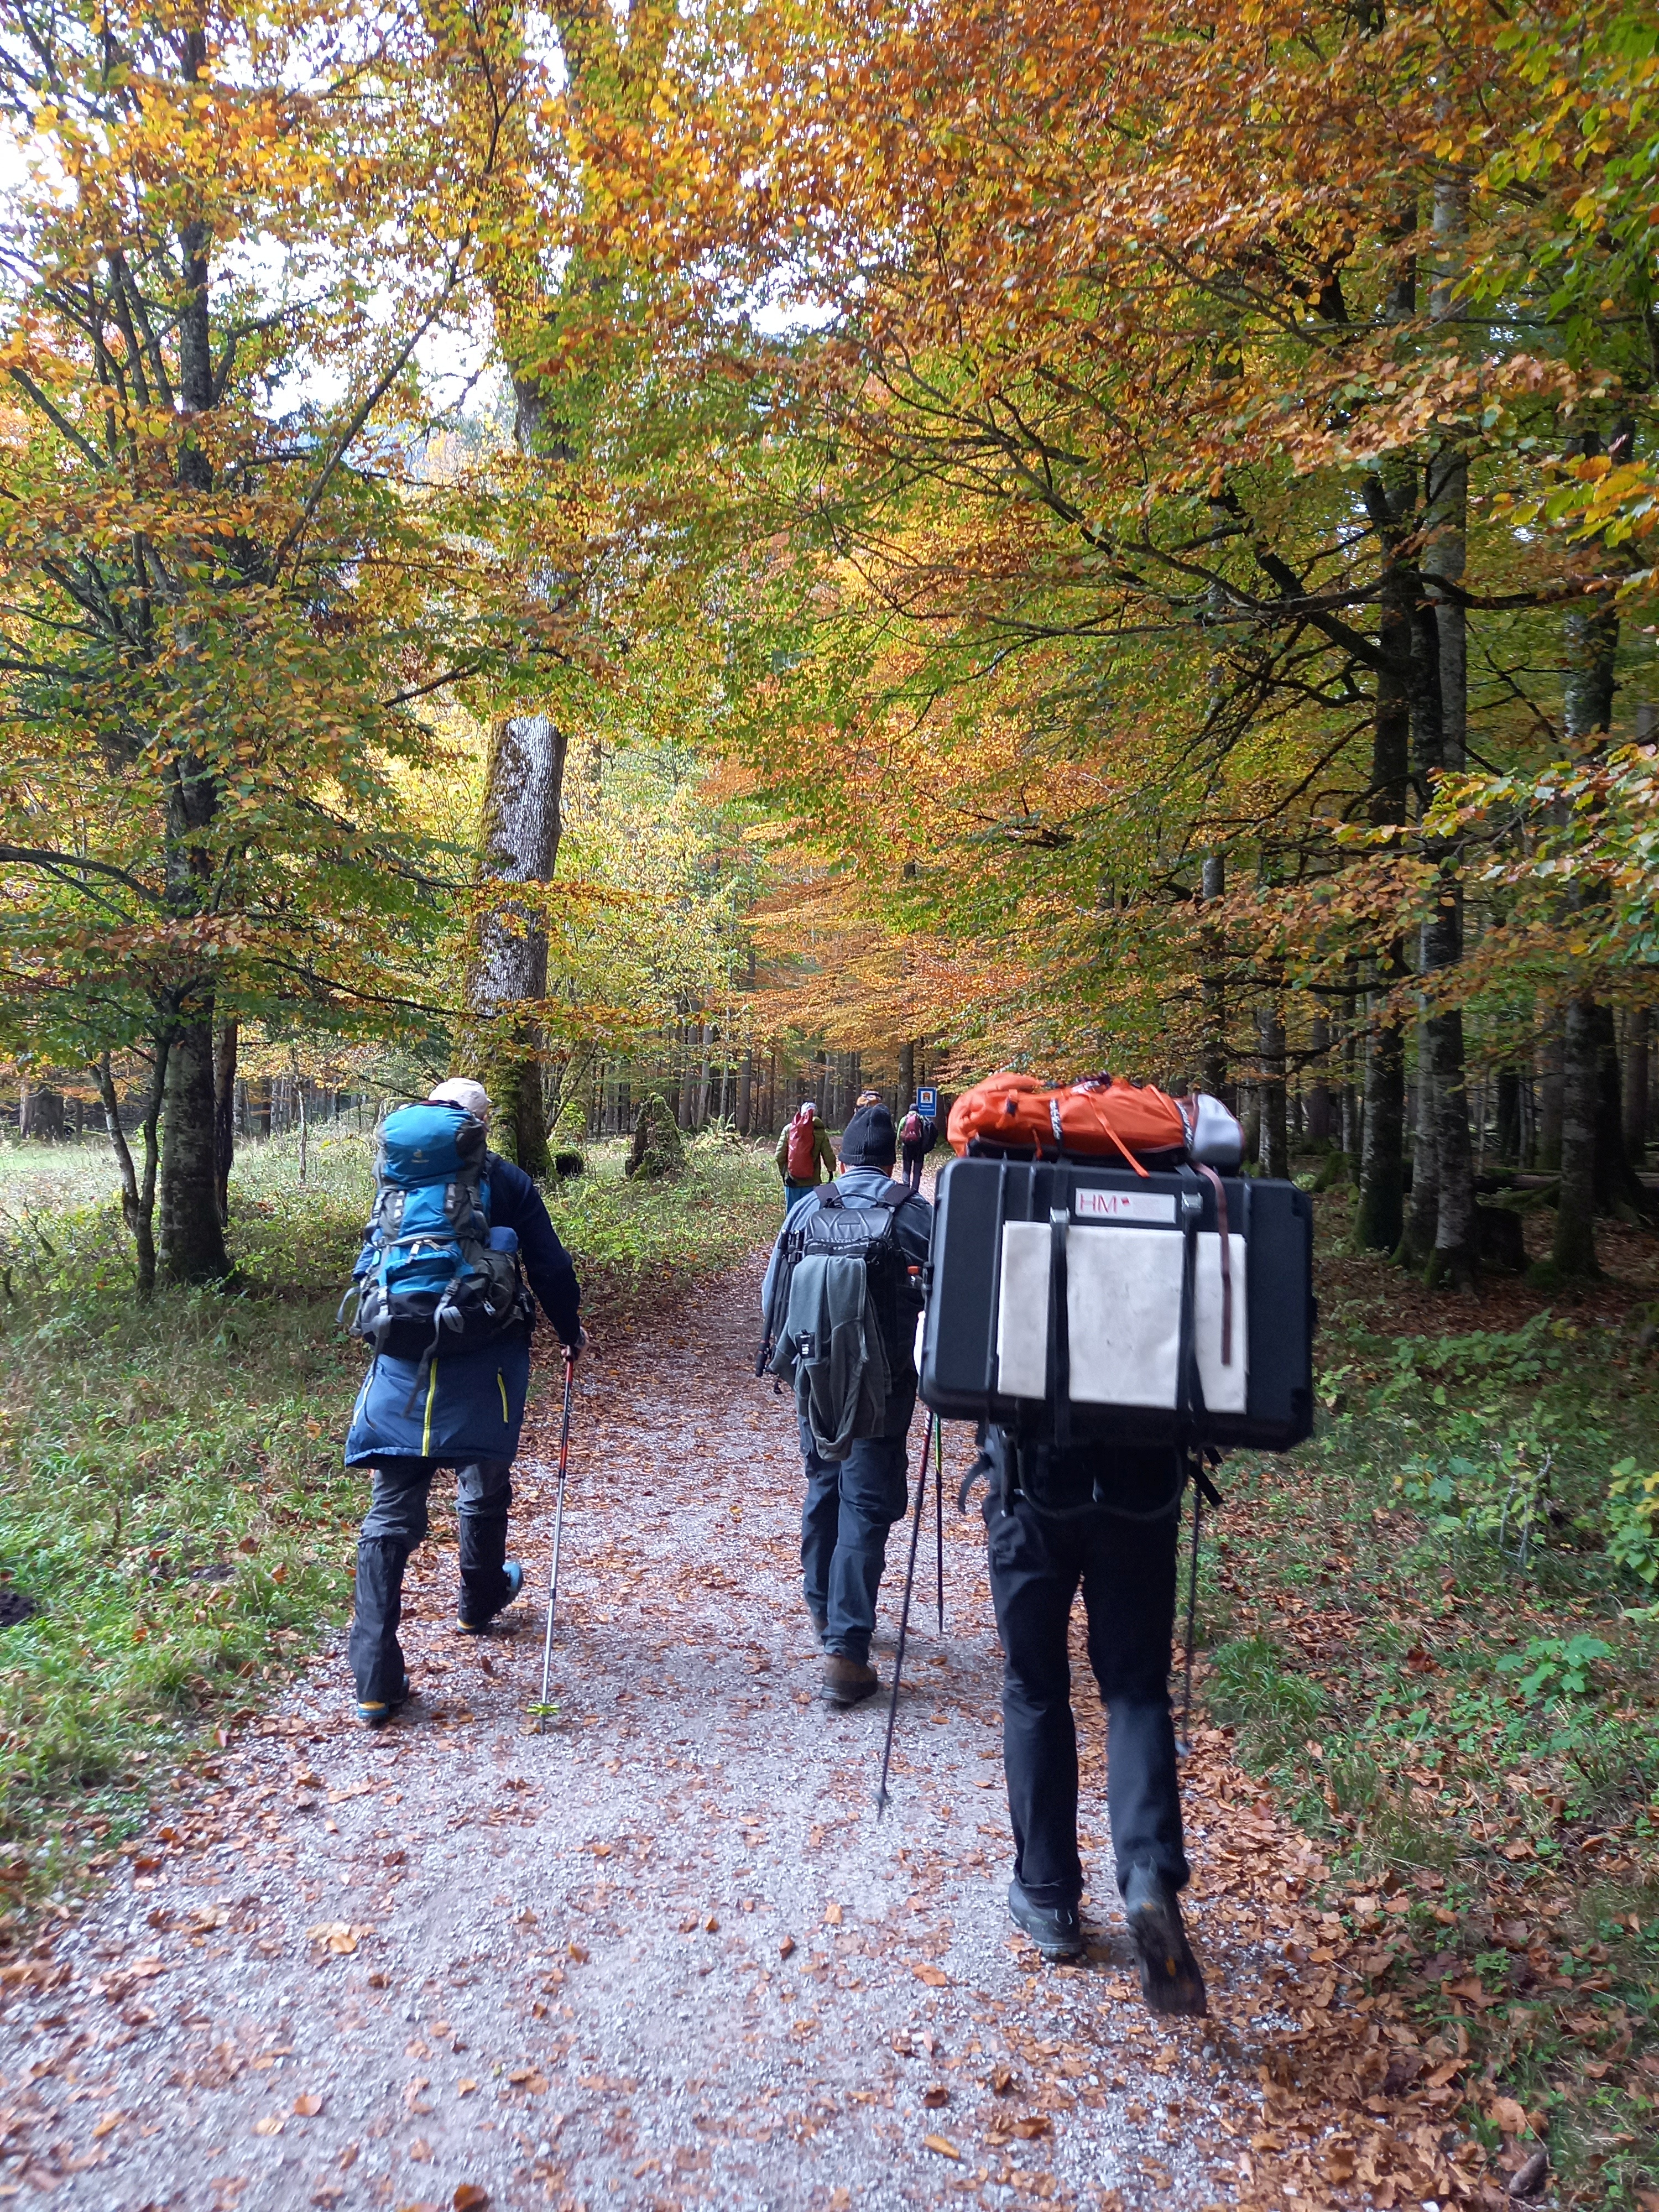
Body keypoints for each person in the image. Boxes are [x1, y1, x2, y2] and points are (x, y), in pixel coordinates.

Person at [342, 1077, 585, 1728]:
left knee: (391, 1507)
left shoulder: (398, 1174)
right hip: (484, 1356)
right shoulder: (504, 1179)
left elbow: (372, 1260)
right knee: (483, 1477)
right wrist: (569, 1329)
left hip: (401, 1358)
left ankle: (374, 1679)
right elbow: (549, 1264)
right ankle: (478, 1600)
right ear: (481, 1125)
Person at [979, 1425, 1206, 2015]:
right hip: (1141, 1486)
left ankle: (1048, 1896)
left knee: (1034, 1688)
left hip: (1030, 1480)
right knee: (1136, 1691)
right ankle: (1148, 1871)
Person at [760, 1103, 932, 1706]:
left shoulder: (809, 1207)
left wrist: (787, 1361)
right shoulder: (913, 1212)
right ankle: (846, 1649)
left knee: (824, 1482)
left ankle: (824, 1608)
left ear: (844, 1157)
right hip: (882, 1384)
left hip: (816, 1374)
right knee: (865, 1502)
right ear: (891, 1161)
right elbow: (943, 1299)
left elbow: (775, 1292)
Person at [775, 1097, 837, 1213]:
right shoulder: (820, 1132)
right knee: (809, 1214)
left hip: (792, 1182)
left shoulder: (789, 1129)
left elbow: (779, 1156)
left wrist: (785, 1174)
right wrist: (831, 1171)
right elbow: (829, 1157)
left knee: (793, 1214)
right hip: (812, 1183)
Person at [898, 1101, 932, 1193]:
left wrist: (901, 1142)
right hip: (919, 1148)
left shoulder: (904, 1119)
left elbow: (899, 1133)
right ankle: (914, 1191)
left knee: (906, 1170)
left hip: (907, 1147)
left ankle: (906, 1188)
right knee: (917, 1172)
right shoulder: (922, 1119)